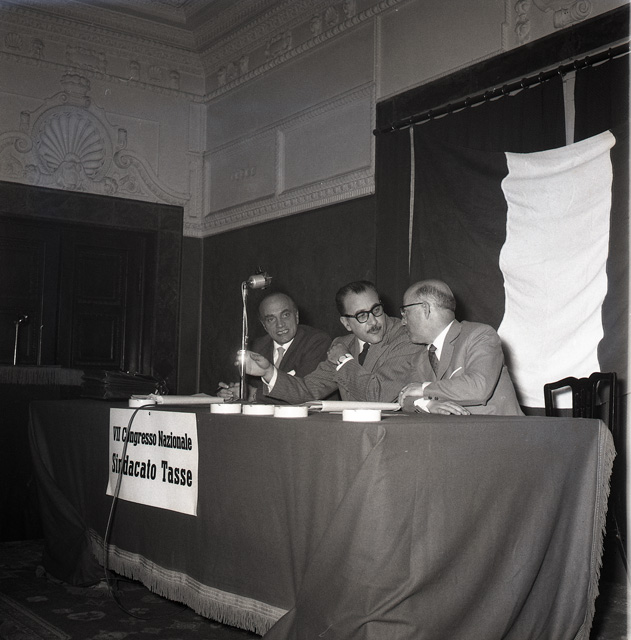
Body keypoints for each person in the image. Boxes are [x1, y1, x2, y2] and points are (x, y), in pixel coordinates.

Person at [240, 280, 422, 403]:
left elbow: (378, 394)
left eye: (376, 310)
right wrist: (268, 372)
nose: (373, 321)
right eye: (361, 316)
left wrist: (344, 360)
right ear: (346, 323)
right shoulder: (343, 344)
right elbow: (309, 390)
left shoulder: (406, 337)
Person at [398, 279, 523, 415]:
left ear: (425, 309)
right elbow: (406, 397)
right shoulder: (419, 358)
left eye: (405, 313)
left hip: (501, 428)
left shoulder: (480, 335)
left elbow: (478, 387)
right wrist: (428, 404)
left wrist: (424, 389)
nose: (403, 322)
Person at [218, 292, 330, 403]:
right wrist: (229, 391)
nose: (280, 324)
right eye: (271, 319)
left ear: (296, 316)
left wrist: (254, 394)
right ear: (264, 325)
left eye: (285, 315)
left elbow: (304, 394)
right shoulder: (256, 347)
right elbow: (237, 384)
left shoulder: (317, 342)